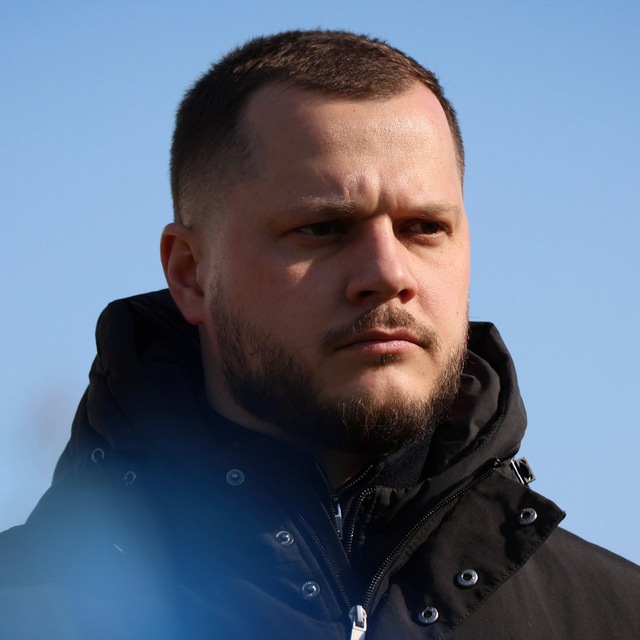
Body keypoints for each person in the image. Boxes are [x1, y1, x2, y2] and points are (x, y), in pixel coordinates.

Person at [1, 29, 638, 640]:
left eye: (423, 227)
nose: (388, 274)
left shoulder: (613, 616)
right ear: (191, 273)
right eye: (323, 228)